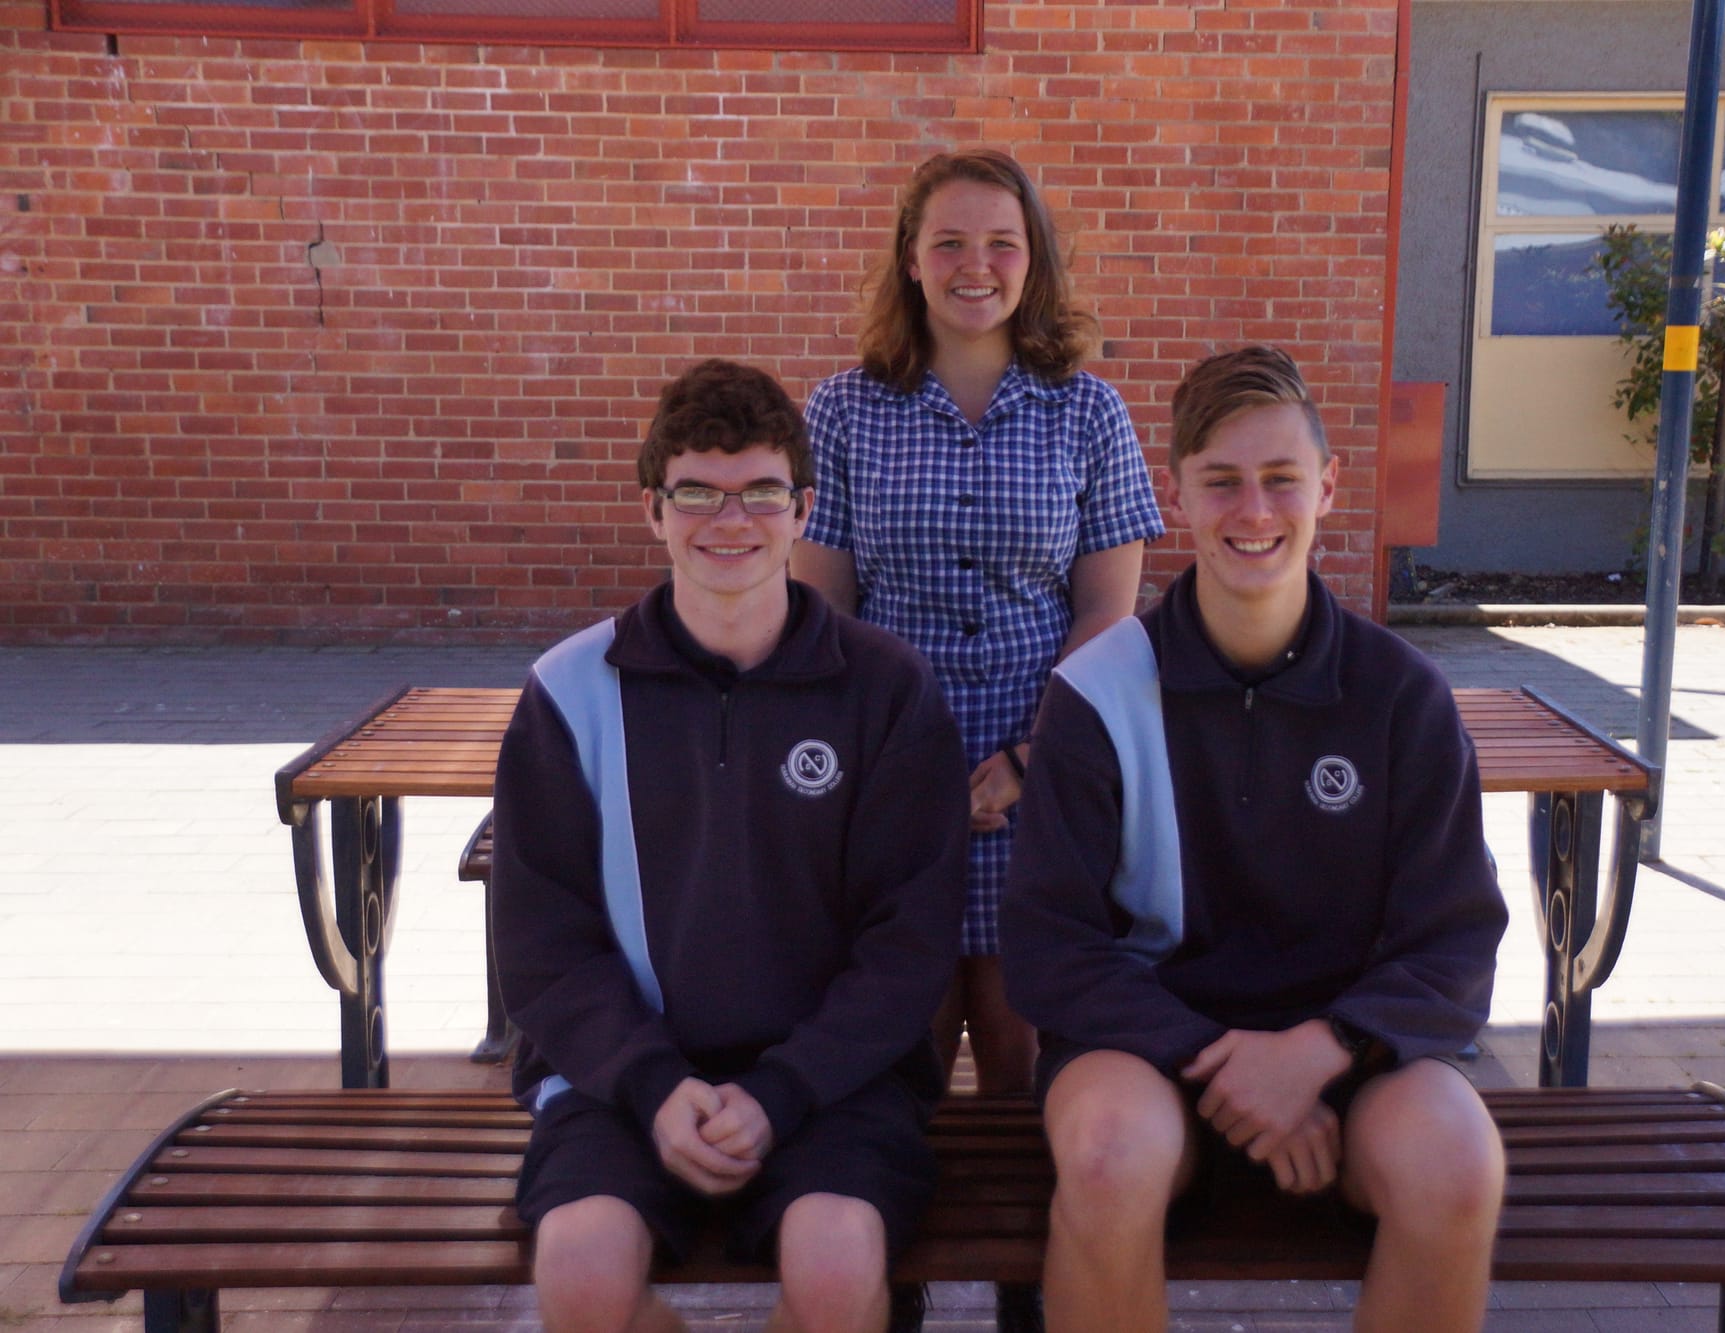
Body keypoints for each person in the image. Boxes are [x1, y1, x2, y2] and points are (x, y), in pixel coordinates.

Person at [1001, 346, 1510, 1333]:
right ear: (1172, 491)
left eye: (1281, 480)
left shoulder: (1399, 695)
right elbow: (1048, 942)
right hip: (1144, 1053)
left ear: (1326, 485)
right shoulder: (1095, 692)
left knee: (1455, 1166)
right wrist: (1223, 1060)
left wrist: (1323, 1047)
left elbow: (1453, 937)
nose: (1254, 511)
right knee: (1105, 1161)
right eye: (1221, 481)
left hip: (1348, 1056)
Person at [490, 359, 968, 1333]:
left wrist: (784, 1088)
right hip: (627, 1077)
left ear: (802, 509)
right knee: (580, 1276)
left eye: (759, 492)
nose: (729, 520)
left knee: (834, 1277)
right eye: (697, 492)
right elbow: (542, 942)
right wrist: (656, 1086)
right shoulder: (569, 692)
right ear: (652, 509)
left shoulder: (886, 689)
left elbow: (908, 940)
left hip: (833, 1080)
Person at [792, 148, 1164, 1108]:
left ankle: (1024, 1266)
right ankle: (897, 1262)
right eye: (949, 241)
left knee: (1021, 1069)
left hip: (1039, 793)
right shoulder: (842, 410)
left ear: (1032, 260)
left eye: (1003, 243)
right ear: (910, 260)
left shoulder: (1089, 413)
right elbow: (824, 615)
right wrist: (902, 776)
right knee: (893, 1068)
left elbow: (1106, 615)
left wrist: (1033, 758)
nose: (976, 264)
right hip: (887, 791)